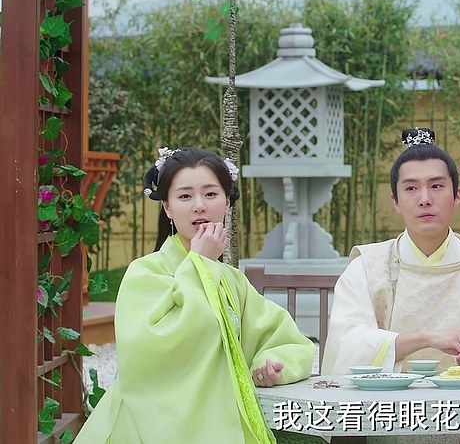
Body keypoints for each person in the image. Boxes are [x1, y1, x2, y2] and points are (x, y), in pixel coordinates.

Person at [75, 148, 316, 444]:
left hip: (220, 421)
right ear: (167, 207)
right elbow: (155, 350)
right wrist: (200, 263)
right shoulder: (145, 273)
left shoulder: (231, 280)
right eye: (185, 196)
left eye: (211, 194)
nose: (199, 206)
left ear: (227, 203)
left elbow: (287, 340)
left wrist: (271, 364)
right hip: (150, 426)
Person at [321, 128, 460, 375]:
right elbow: (347, 345)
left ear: (457, 196)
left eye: (436, 186)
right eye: (411, 188)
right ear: (395, 201)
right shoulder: (367, 267)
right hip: (386, 399)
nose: (425, 199)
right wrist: (427, 338)